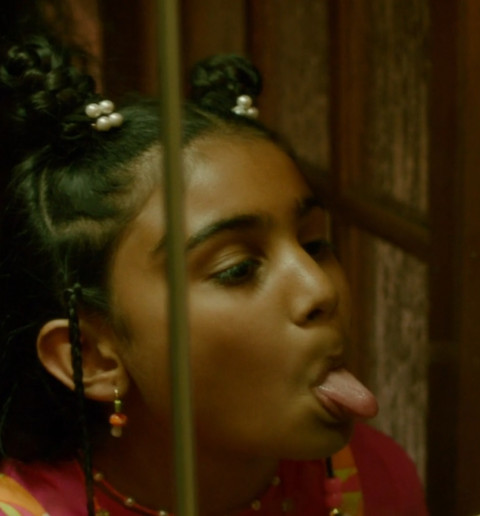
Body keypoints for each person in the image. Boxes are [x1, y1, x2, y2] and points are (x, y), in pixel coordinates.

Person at [0, 35, 428, 516]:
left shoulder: (372, 477)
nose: (321, 288)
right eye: (238, 269)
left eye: (313, 246)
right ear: (93, 355)